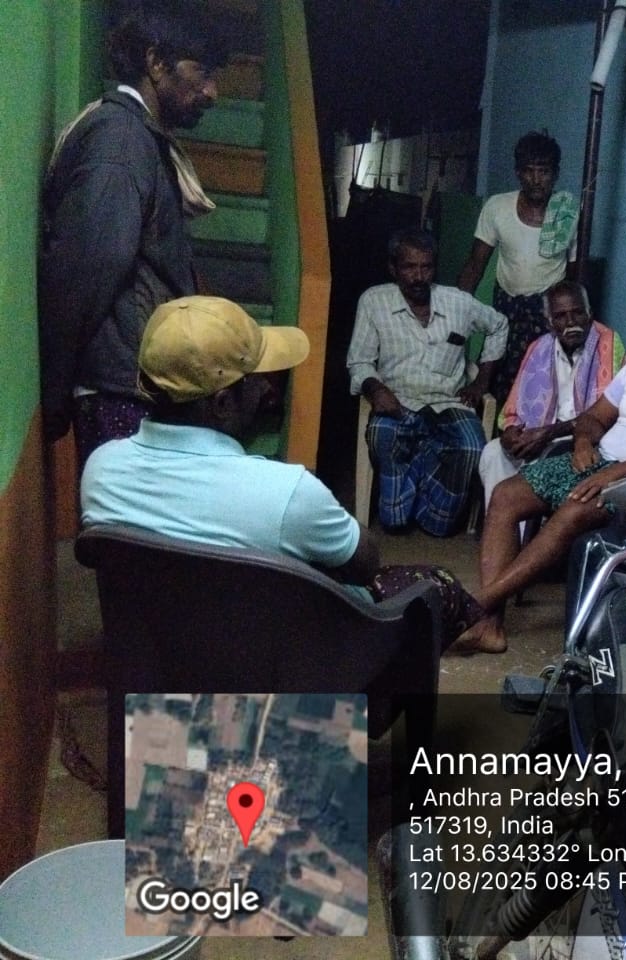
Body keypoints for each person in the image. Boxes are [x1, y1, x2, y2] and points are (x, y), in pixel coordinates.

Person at [81, 296, 483, 646]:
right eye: (257, 378)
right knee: (436, 587)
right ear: (222, 404)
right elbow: (365, 563)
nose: (266, 390)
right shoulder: (286, 492)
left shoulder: (102, 471)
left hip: (162, 670)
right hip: (272, 672)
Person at [458, 293, 626, 653]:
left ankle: (472, 607)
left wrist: (622, 470)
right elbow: (593, 418)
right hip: (596, 462)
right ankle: (489, 625)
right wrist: (583, 443)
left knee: (573, 511)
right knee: (505, 495)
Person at [39, 2, 224, 466]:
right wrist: (56, 386)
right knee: (125, 515)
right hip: (121, 390)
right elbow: (88, 266)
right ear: (156, 62)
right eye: (201, 73)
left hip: (131, 384)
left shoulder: (136, 135)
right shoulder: (121, 139)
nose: (212, 92)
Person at [347, 228, 508, 535]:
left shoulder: (458, 302)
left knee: (472, 447)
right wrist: (376, 388)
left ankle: (434, 513)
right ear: (393, 268)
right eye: (409, 267)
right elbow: (359, 360)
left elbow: (499, 326)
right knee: (382, 437)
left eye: (426, 267)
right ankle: (402, 506)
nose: (419, 276)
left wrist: (481, 382)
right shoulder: (374, 301)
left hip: (448, 401)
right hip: (398, 399)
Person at [478, 280, 626, 507]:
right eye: (561, 316)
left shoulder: (609, 344)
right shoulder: (539, 347)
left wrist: (548, 433)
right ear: (549, 322)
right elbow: (515, 408)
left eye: (577, 313)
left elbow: (607, 414)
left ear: (589, 314)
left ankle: (523, 525)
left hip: (583, 438)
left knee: (548, 458)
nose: (571, 322)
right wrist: (511, 433)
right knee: (493, 453)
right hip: (540, 433)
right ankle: (501, 523)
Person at [456, 130, 578, 406]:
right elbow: (475, 265)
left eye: (543, 171)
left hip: (546, 314)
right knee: (496, 383)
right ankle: (498, 430)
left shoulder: (567, 214)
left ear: (555, 174)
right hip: (506, 307)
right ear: (518, 173)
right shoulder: (498, 207)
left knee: (542, 388)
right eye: (529, 170)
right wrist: (455, 310)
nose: (536, 179)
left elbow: (575, 279)